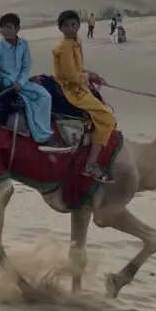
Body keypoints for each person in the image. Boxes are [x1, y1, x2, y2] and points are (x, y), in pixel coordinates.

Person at [0, 13, 69, 152]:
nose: (5, 30)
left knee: (45, 96)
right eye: (2, 27)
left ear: (17, 29)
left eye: (8, 27)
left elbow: (26, 67)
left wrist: (21, 82)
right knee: (28, 103)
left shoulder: (24, 44)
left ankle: (44, 133)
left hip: (22, 83)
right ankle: (42, 137)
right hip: (7, 85)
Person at [52, 10, 118, 182]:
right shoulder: (65, 47)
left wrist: (91, 74)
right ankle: (91, 164)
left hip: (80, 86)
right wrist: (88, 77)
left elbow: (78, 70)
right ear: (60, 28)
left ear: (78, 25)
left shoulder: (76, 43)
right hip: (72, 90)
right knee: (108, 119)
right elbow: (72, 76)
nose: (70, 28)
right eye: (66, 25)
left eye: (73, 24)